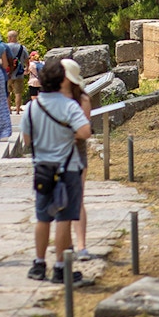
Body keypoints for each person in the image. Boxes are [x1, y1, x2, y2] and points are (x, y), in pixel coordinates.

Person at [21, 60, 90, 284]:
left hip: (42, 168)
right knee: (64, 218)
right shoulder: (69, 105)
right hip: (67, 167)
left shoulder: (32, 107)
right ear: (62, 79)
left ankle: (39, 263)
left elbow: (27, 139)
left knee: (42, 217)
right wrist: (69, 135)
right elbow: (85, 131)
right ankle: (60, 267)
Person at [61, 59, 92, 260]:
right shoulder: (52, 97)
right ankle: (67, 244)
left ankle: (81, 244)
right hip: (57, 152)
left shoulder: (82, 99)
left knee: (77, 199)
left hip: (75, 151)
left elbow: (85, 130)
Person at [5, 31, 28, 115]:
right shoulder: (22, 48)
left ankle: (9, 110)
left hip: (7, 74)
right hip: (19, 73)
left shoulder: (5, 47)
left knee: (7, 92)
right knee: (18, 93)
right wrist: (27, 67)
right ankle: (18, 110)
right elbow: (26, 59)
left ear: (10, 38)